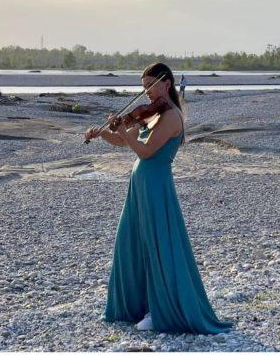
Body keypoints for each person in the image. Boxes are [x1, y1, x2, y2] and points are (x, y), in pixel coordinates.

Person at [85, 62, 231, 334]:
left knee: (157, 245)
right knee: (133, 243)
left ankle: (159, 310)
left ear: (167, 83)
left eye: (151, 86)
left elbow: (146, 151)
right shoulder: (153, 113)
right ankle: (137, 305)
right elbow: (124, 142)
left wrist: (124, 131)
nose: (148, 93)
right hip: (139, 184)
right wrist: (103, 132)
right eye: (144, 88)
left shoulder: (172, 116)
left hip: (155, 184)